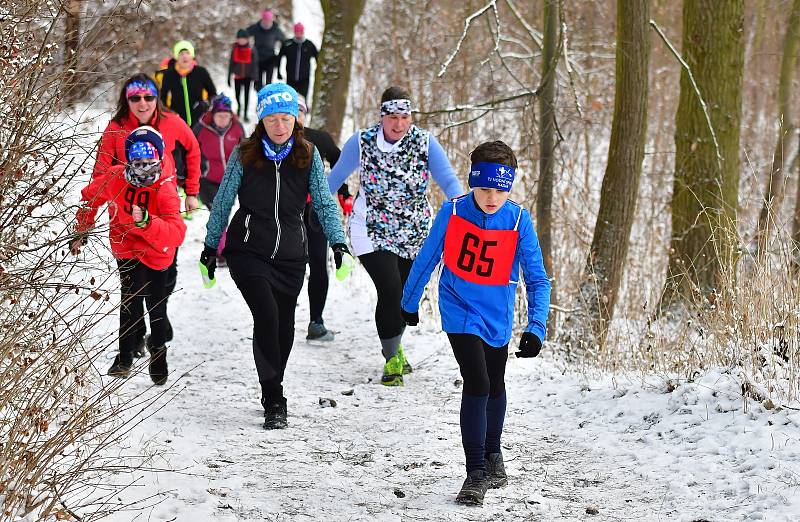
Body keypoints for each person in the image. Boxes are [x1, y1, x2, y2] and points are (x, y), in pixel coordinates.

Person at [400, 141, 551, 506]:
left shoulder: (518, 220)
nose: (491, 198)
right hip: (458, 307)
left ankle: (493, 452)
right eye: (484, 188)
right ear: (472, 182)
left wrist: (536, 327)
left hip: (497, 314)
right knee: (477, 380)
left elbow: (537, 279)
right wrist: (408, 301)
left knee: (495, 383)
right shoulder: (452, 212)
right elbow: (428, 256)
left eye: (500, 190)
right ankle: (475, 473)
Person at [199, 84, 351, 430]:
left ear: (295, 120)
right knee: (266, 316)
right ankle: (274, 396)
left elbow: (325, 202)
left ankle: (272, 379)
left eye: (286, 118)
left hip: (291, 256)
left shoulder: (307, 154)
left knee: (284, 327)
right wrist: (211, 247)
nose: (279, 126)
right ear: (261, 120)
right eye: (272, 119)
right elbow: (223, 202)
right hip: (248, 250)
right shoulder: (245, 154)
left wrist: (338, 244)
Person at [326, 86, 463, 386]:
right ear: (382, 116)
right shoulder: (361, 142)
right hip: (370, 229)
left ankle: (395, 345)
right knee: (390, 290)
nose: (399, 124)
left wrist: (469, 215)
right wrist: (305, 200)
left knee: (405, 295)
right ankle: (391, 360)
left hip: (414, 231)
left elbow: (450, 182)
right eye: (392, 117)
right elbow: (333, 179)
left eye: (405, 116)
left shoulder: (425, 143)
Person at [92, 73, 201, 355]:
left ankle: (158, 317)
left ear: (157, 99)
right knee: (130, 283)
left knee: (166, 272)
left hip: (163, 210)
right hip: (127, 216)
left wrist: (191, 190)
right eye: (135, 98)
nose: (142, 103)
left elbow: (193, 149)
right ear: (126, 100)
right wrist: (92, 207)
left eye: (148, 97)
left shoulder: (172, 123)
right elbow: (101, 170)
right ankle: (137, 332)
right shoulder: (116, 128)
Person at [72, 127, 187, 384]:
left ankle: (158, 350)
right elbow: (90, 197)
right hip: (126, 246)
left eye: (149, 161)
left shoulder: (165, 188)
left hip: (158, 250)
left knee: (156, 304)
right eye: (136, 161)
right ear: (128, 160)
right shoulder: (115, 177)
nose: (143, 167)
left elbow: (177, 233)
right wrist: (81, 229)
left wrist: (147, 223)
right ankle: (124, 357)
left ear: (158, 157)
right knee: (130, 299)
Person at [295, 95, 353, 341]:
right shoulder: (269, 142)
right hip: (284, 213)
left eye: (299, 111)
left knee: (318, 264)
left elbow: (339, 163)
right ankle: (275, 318)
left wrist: (343, 194)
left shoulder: (319, 139)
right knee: (287, 264)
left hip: (314, 211)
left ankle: (316, 322)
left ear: (304, 114)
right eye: (289, 110)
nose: (294, 117)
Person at [193, 93, 245, 211]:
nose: (223, 120)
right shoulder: (201, 129)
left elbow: (245, 150)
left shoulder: (237, 128)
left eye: (226, 116)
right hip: (208, 179)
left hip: (230, 180)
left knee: (225, 210)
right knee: (217, 211)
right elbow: (190, 151)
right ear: (213, 115)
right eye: (219, 116)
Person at [160, 40, 217, 127]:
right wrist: (169, 112)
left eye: (187, 53)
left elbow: (212, 93)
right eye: (181, 54)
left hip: (199, 120)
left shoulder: (201, 72)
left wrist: (206, 104)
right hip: (178, 121)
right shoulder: (169, 75)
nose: (185, 56)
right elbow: (162, 97)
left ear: (192, 55)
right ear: (176, 57)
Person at [247, 9, 286, 91]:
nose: (267, 22)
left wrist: (281, 52)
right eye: (265, 20)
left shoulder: (275, 29)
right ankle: (260, 101)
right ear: (262, 19)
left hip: (270, 59)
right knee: (258, 85)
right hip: (258, 60)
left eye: (269, 20)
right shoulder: (256, 27)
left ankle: (268, 101)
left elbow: (284, 41)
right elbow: (244, 34)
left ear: (271, 20)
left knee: (269, 84)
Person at [278, 23, 318, 98]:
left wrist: (317, 71)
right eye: (297, 32)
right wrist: (278, 72)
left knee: (302, 100)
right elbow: (279, 58)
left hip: (304, 79)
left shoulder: (309, 45)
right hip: (290, 78)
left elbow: (318, 58)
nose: (298, 34)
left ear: (303, 32)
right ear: (294, 32)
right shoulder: (288, 44)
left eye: (300, 32)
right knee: (290, 99)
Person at [228, 29, 259, 121]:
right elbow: (231, 63)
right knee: (237, 95)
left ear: (247, 39)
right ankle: (239, 107)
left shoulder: (252, 49)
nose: (241, 41)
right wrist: (228, 77)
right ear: (237, 39)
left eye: (243, 39)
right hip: (237, 76)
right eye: (240, 39)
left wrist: (256, 78)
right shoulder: (234, 49)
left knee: (246, 95)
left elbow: (255, 65)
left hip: (248, 77)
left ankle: (245, 113)